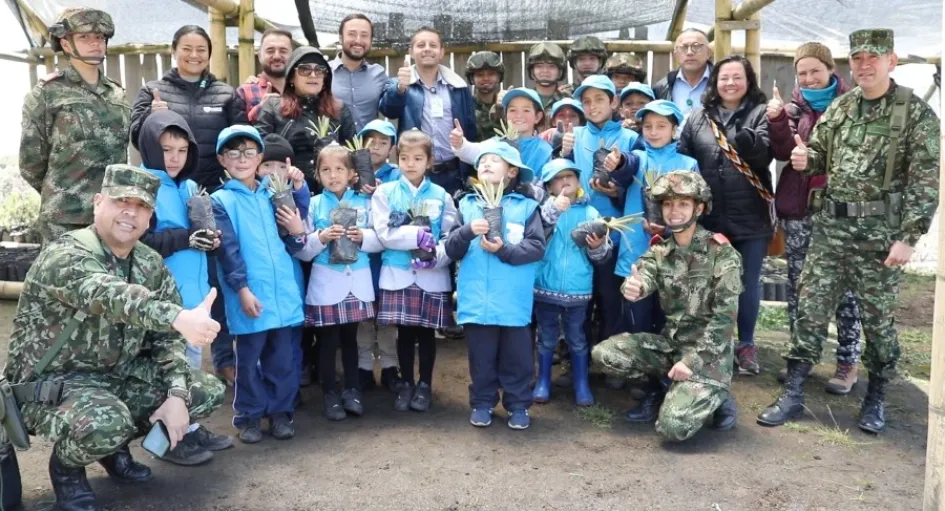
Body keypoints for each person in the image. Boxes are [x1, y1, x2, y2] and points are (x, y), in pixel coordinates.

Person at [6, 164, 226, 510]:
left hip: (114, 376)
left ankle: (113, 451)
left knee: (204, 391)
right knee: (107, 422)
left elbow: (165, 342)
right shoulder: (66, 255)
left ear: (150, 215)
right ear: (98, 203)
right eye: (120, 201)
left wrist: (177, 395)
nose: (130, 212)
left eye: (140, 206)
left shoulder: (149, 262)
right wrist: (178, 317)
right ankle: (68, 469)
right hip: (52, 384)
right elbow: (107, 294)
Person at [758, 29, 940, 434]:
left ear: (890, 61)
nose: (864, 65)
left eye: (873, 57)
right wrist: (808, 156)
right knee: (808, 310)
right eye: (857, 58)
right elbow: (820, 152)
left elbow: (926, 181)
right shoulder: (842, 109)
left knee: (876, 321)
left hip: (879, 236)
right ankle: (794, 391)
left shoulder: (914, 113)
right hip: (830, 230)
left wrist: (908, 237)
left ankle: (876, 396)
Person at [593, 171, 740, 442]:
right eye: (668, 204)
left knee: (673, 427)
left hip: (708, 356)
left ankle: (719, 395)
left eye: (683, 204)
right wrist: (633, 288)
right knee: (606, 353)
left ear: (699, 208)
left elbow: (724, 321)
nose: (674, 211)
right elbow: (644, 275)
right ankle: (662, 386)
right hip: (672, 346)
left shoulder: (722, 254)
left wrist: (692, 361)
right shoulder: (660, 251)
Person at [768, 42, 861, 395]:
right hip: (801, 213)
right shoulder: (793, 108)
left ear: (830, 70)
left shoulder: (853, 107)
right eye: (802, 72)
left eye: (815, 70)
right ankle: (801, 358)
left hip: (841, 214)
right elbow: (779, 152)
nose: (809, 78)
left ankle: (847, 362)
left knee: (845, 291)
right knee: (799, 288)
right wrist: (777, 120)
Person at [678, 55, 772, 375]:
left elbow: (762, 152)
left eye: (737, 77)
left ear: (749, 82)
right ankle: (712, 344)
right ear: (714, 83)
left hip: (750, 217)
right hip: (709, 217)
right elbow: (683, 160)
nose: (730, 83)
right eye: (724, 78)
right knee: (706, 282)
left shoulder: (762, 113)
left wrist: (743, 136)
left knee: (747, 283)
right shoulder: (697, 118)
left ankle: (745, 344)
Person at [211, 126, 305, 443]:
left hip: (283, 293)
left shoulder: (275, 193)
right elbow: (228, 252)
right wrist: (242, 289)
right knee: (248, 361)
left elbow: (292, 244)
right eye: (233, 153)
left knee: (284, 360)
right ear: (222, 159)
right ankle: (249, 416)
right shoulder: (220, 201)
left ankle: (281, 413)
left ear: (260, 157)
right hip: (249, 295)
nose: (242, 159)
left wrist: (297, 231)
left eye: (249, 152)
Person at [445, 141, 546, 430]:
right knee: (481, 358)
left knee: (518, 359)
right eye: (482, 160)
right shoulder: (466, 204)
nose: (486, 164)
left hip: (513, 302)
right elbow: (452, 249)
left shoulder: (527, 207)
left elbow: (536, 248)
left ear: (512, 171)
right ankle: (482, 402)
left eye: (495, 160)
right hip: (477, 301)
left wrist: (504, 250)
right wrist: (466, 232)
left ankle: (518, 405)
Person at [286, 144, 383, 420]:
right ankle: (330, 393)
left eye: (340, 169)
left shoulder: (365, 201)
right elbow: (303, 248)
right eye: (326, 170)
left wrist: (362, 237)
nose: (333, 175)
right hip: (327, 283)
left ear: (352, 172)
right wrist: (322, 237)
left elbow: (380, 239)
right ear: (317, 174)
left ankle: (352, 390)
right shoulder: (313, 204)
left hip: (357, 280)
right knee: (328, 342)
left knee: (350, 339)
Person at [20, 8, 129, 244]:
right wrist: (64, 193)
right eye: (85, 37)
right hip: (65, 221)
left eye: (99, 37)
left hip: (111, 217)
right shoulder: (47, 94)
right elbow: (31, 164)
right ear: (66, 44)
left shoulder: (116, 93)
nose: (95, 43)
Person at [371, 130, 458, 412]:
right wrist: (414, 237)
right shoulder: (386, 192)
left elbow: (449, 235)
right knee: (405, 333)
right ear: (398, 159)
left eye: (418, 158)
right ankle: (407, 382)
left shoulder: (441, 195)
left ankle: (425, 385)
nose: (411, 164)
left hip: (431, 274)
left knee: (427, 334)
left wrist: (438, 258)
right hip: (398, 272)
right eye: (405, 158)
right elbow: (383, 232)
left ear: (429, 161)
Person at [560, 75, 640, 348]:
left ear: (613, 101)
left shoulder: (631, 138)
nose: (592, 106)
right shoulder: (575, 136)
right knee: (580, 297)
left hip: (616, 230)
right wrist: (563, 152)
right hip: (580, 225)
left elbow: (637, 186)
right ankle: (577, 360)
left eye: (599, 100)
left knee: (610, 296)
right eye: (586, 101)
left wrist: (616, 192)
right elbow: (562, 178)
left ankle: (610, 359)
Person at [608, 100, 699, 337]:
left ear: (674, 129)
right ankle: (634, 368)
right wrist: (617, 164)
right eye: (647, 126)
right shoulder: (638, 158)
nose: (654, 132)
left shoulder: (688, 164)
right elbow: (624, 166)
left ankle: (663, 371)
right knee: (635, 315)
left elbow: (697, 208)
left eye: (661, 126)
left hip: (675, 252)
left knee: (668, 318)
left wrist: (669, 230)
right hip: (636, 249)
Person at [532, 158, 611, 406]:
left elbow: (602, 255)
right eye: (558, 178)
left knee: (577, 338)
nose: (566, 181)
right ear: (548, 186)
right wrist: (555, 208)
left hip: (579, 290)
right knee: (546, 336)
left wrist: (597, 247)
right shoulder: (544, 210)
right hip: (546, 286)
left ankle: (581, 382)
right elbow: (538, 232)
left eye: (571, 176)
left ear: (578, 181)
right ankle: (543, 381)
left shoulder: (590, 213)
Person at [130, 25, 247, 189]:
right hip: (165, 189)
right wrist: (150, 114)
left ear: (209, 54)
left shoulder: (227, 94)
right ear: (174, 51)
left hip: (213, 189)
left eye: (201, 50)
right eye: (187, 49)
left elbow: (243, 142)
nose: (194, 55)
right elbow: (135, 138)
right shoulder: (152, 91)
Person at [378, 27, 478, 196]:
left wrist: (470, 170)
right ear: (411, 51)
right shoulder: (400, 84)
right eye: (421, 45)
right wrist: (400, 88)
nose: (427, 49)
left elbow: (470, 128)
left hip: (453, 173)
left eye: (433, 45)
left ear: (441, 52)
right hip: (416, 173)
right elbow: (388, 110)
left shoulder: (458, 86)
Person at [256, 46, 357, 192]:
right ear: (291, 76)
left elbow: (354, 152)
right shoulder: (274, 107)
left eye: (319, 70)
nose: (313, 75)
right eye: (305, 70)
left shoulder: (339, 109)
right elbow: (257, 152)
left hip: (330, 192)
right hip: (286, 193)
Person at [357, 120, 402, 391]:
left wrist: (380, 193)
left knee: (386, 315)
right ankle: (363, 367)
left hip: (388, 257)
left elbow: (402, 210)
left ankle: (389, 366)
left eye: (383, 142)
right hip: (361, 256)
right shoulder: (350, 172)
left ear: (392, 148)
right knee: (364, 314)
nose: (375, 147)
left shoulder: (396, 177)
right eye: (370, 140)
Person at [452, 87, 554, 177]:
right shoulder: (498, 143)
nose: (519, 115)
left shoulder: (544, 150)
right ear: (505, 116)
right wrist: (460, 143)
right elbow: (472, 152)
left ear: (537, 117)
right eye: (513, 110)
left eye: (526, 110)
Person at [330, 14, 389, 131]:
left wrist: (400, 89)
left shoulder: (378, 74)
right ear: (341, 38)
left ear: (371, 41)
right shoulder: (324, 72)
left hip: (369, 147)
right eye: (352, 34)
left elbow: (390, 109)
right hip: (333, 147)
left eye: (364, 35)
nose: (358, 40)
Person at [652, 28, 713, 117]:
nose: (690, 52)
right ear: (675, 55)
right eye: (684, 48)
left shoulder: (721, 82)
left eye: (696, 46)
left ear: (709, 53)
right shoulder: (662, 87)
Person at [236, 28, 293, 122]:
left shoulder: (300, 90)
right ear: (259, 56)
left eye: (283, 51)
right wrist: (261, 108)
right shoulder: (244, 92)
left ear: (293, 56)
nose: (277, 56)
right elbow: (238, 130)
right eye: (270, 51)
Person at [465, 51, 506, 141]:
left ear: (499, 77)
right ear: (472, 79)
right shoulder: (466, 107)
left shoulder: (507, 105)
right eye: (480, 75)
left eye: (491, 74)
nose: (486, 78)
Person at [525, 42, 569, 125]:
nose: (545, 71)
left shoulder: (568, 101)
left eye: (551, 66)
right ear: (532, 70)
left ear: (560, 71)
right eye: (539, 66)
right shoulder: (523, 99)